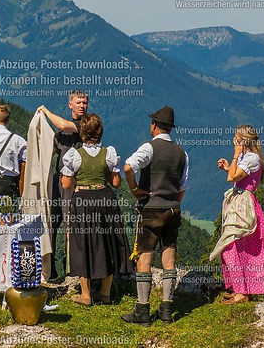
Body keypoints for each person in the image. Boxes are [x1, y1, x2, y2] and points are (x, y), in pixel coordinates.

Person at [122, 105, 189, 326]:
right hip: (172, 210)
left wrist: (134, 190)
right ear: (170, 128)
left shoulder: (149, 148)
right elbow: (182, 187)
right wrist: (172, 204)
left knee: (145, 256)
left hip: (151, 209)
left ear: (154, 125)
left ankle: (142, 311)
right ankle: (167, 310)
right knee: (169, 258)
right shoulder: (182, 153)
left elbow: (128, 167)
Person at [61, 113, 132, 306]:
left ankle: (86, 295)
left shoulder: (74, 155)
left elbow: (66, 184)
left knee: (82, 243)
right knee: (107, 242)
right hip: (105, 199)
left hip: (83, 201)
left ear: (82, 133)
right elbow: (116, 183)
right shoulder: (108, 153)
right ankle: (105, 293)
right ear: (100, 132)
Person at [210, 125, 264, 304]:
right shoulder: (247, 157)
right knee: (236, 247)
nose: (234, 141)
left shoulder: (251, 158)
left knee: (230, 246)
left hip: (243, 205)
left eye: (236, 138)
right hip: (239, 202)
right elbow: (235, 175)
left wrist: (235, 155)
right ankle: (240, 289)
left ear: (244, 140)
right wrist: (228, 167)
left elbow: (232, 179)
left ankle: (242, 292)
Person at [36, 90, 88, 278]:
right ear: (70, 105)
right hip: (59, 179)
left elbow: (62, 124)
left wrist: (46, 113)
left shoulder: (86, 124)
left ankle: (73, 271)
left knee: (71, 225)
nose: (82, 106)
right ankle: (50, 269)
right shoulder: (65, 132)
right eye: (78, 102)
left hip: (76, 181)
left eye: (84, 103)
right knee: (52, 222)